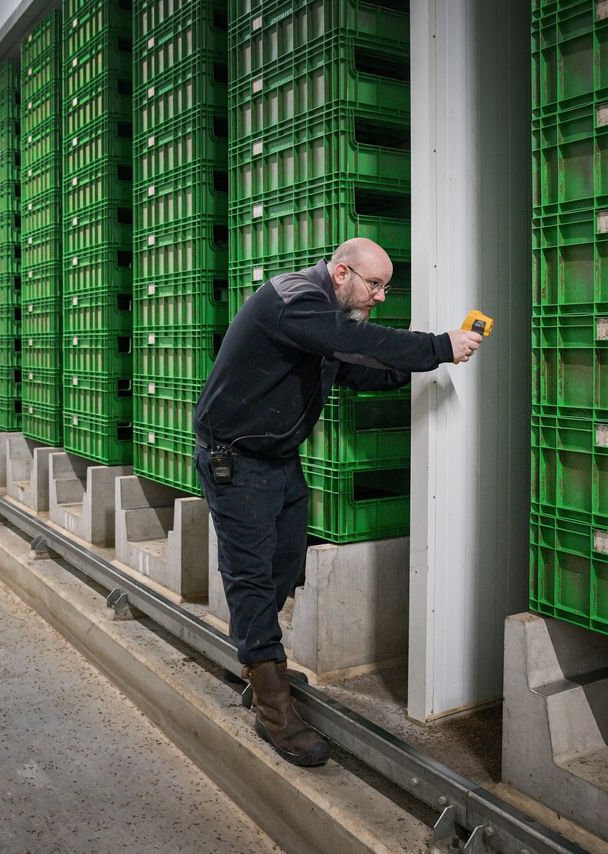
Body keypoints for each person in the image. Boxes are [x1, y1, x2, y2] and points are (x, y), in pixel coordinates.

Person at [193, 237, 482, 766]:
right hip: (236, 460)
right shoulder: (294, 300)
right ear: (342, 271)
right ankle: (272, 704)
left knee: (285, 563)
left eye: (385, 288)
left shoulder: (320, 319)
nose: (379, 297)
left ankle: (262, 663)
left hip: (278, 459)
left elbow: (354, 364)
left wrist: (422, 366)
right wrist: (439, 344)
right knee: (252, 576)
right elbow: (357, 337)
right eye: (374, 285)